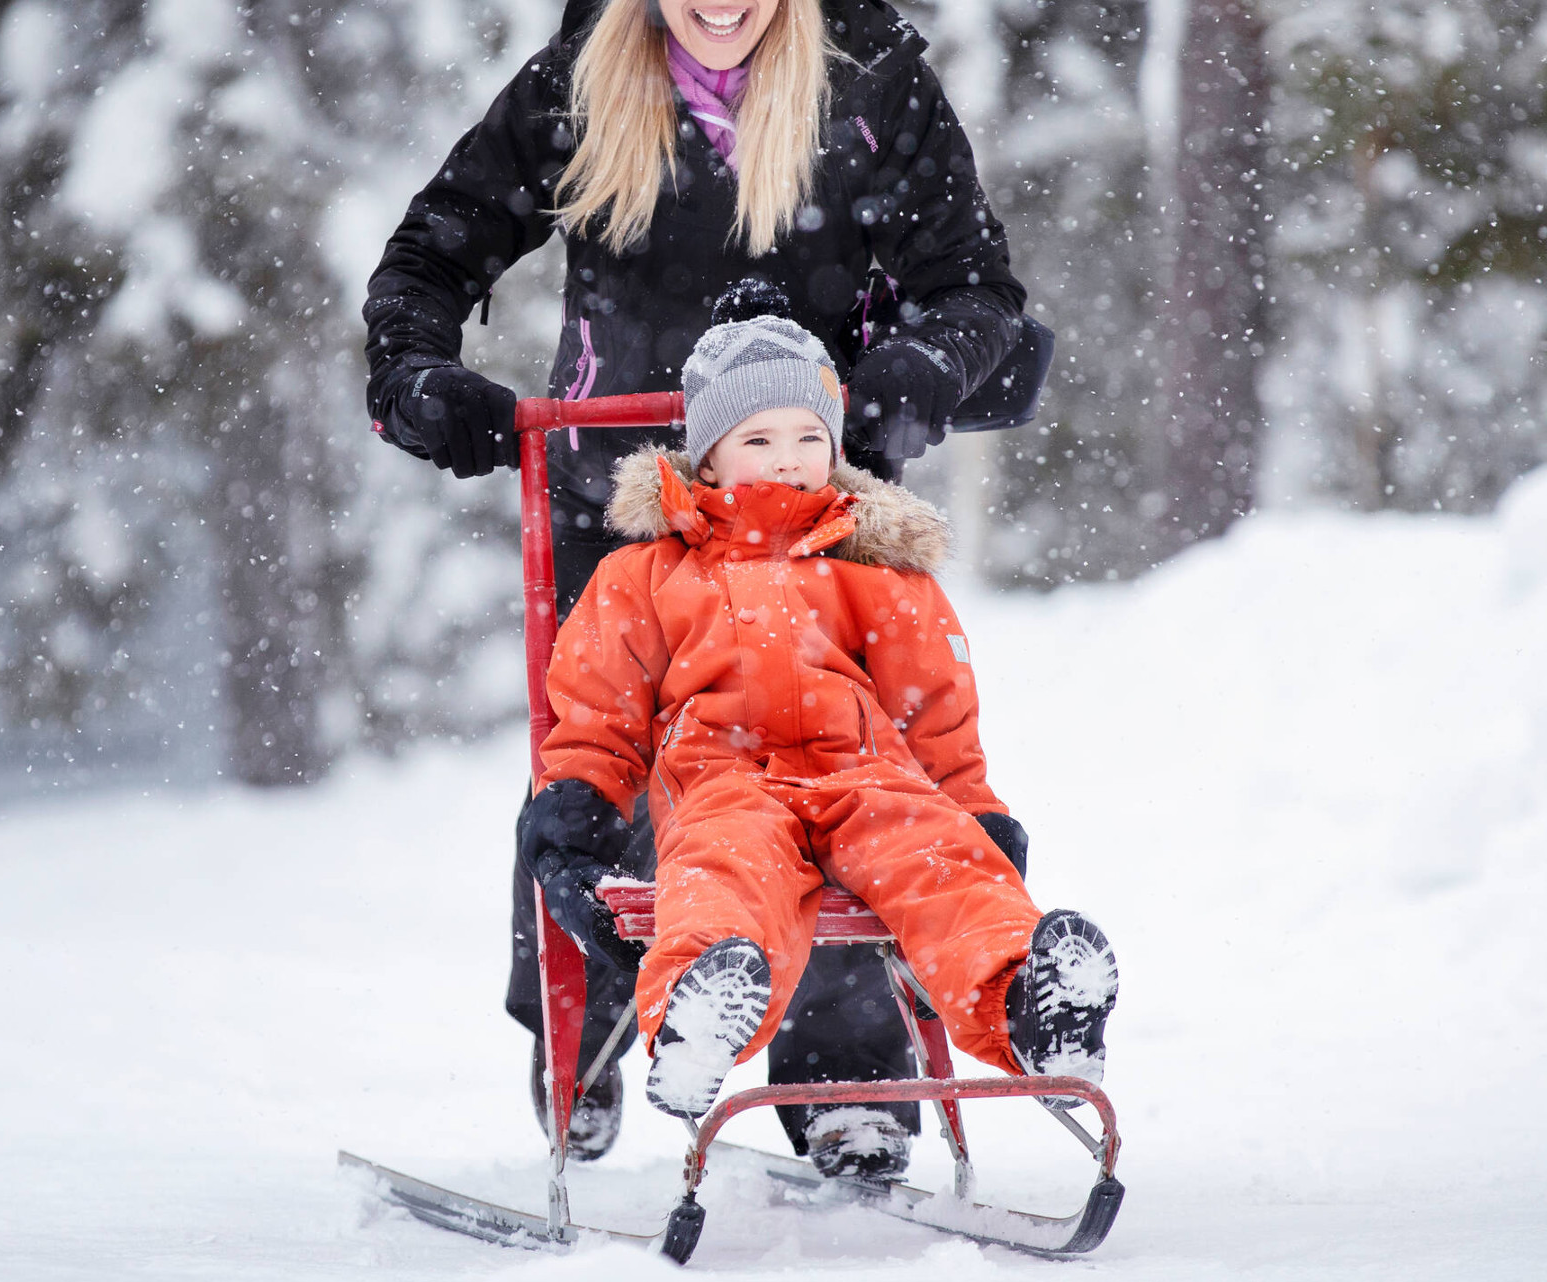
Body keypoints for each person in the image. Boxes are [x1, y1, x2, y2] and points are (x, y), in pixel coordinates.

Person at [362, 0, 1030, 1177]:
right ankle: (598, 1028)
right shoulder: (579, 82)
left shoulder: (869, 83)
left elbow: (977, 292)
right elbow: (431, 251)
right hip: (625, 506)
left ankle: (843, 1076)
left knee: (842, 764)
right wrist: (418, 375)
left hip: (819, 500)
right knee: (611, 763)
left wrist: (917, 371)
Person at [516, 301, 1116, 1149]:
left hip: (863, 774)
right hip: (724, 777)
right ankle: (701, 1015)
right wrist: (574, 820)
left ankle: (1031, 1003)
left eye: (808, 439)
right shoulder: (645, 575)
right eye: (758, 441)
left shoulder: (875, 571)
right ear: (710, 455)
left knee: (935, 856)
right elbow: (599, 713)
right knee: (725, 869)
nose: (787, 462)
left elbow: (935, 717)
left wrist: (973, 814)